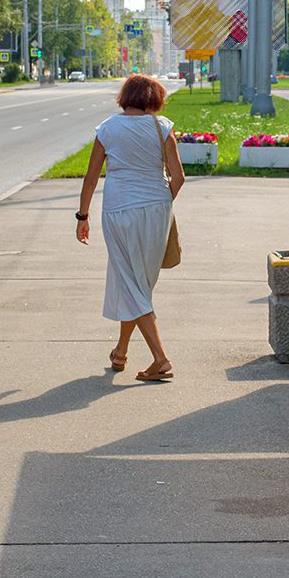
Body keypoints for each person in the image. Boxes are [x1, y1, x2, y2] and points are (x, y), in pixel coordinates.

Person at [76, 73, 185, 382]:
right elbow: (178, 177)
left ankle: (160, 359)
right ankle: (120, 351)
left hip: (119, 210)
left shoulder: (108, 129)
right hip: (157, 210)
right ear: (154, 97)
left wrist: (82, 217)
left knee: (130, 280)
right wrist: (161, 202)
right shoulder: (161, 127)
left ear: (125, 96)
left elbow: (91, 177)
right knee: (138, 283)